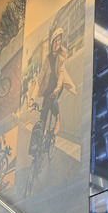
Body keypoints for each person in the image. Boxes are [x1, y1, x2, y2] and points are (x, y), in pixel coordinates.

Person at [30, 26, 77, 156]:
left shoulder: (61, 56)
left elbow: (61, 72)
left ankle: (58, 118)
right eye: (55, 41)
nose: (57, 44)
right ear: (51, 43)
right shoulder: (47, 59)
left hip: (58, 85)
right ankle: (37, 144)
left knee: (52, 102)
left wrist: (58, 87)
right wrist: (32, 98)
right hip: (48, 88)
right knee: (42, 116)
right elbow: (40, 79)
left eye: (59, 41)